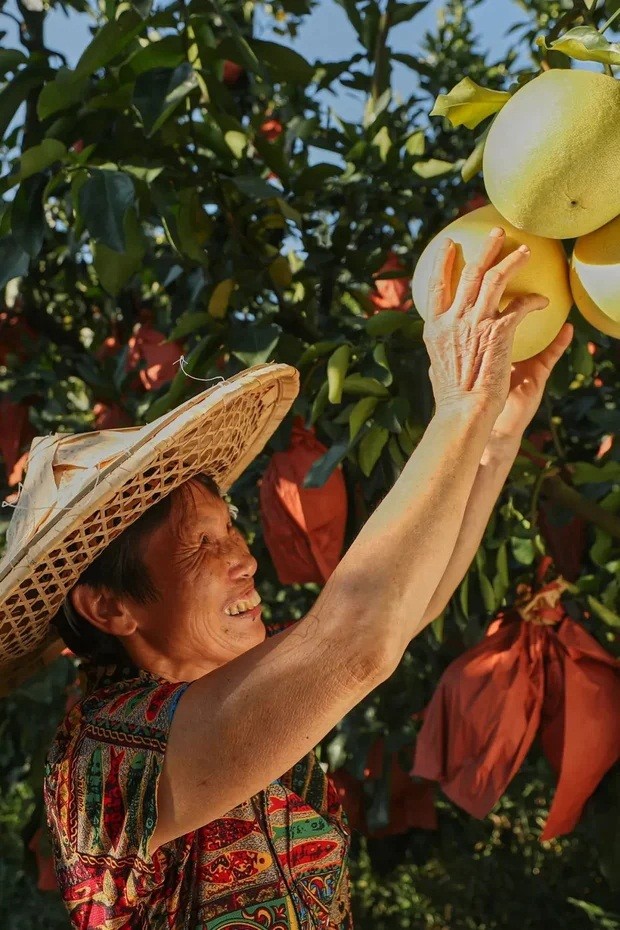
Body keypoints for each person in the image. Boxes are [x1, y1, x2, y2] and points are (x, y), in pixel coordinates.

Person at [0, 226, 573, 929]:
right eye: (199, 546)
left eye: (231, 531)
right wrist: (457, 411)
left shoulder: (203, 699)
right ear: (110, 608)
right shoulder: (109, 756)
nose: (242, 559)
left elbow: (402, 611)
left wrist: (495, 436)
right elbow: (355, 644)